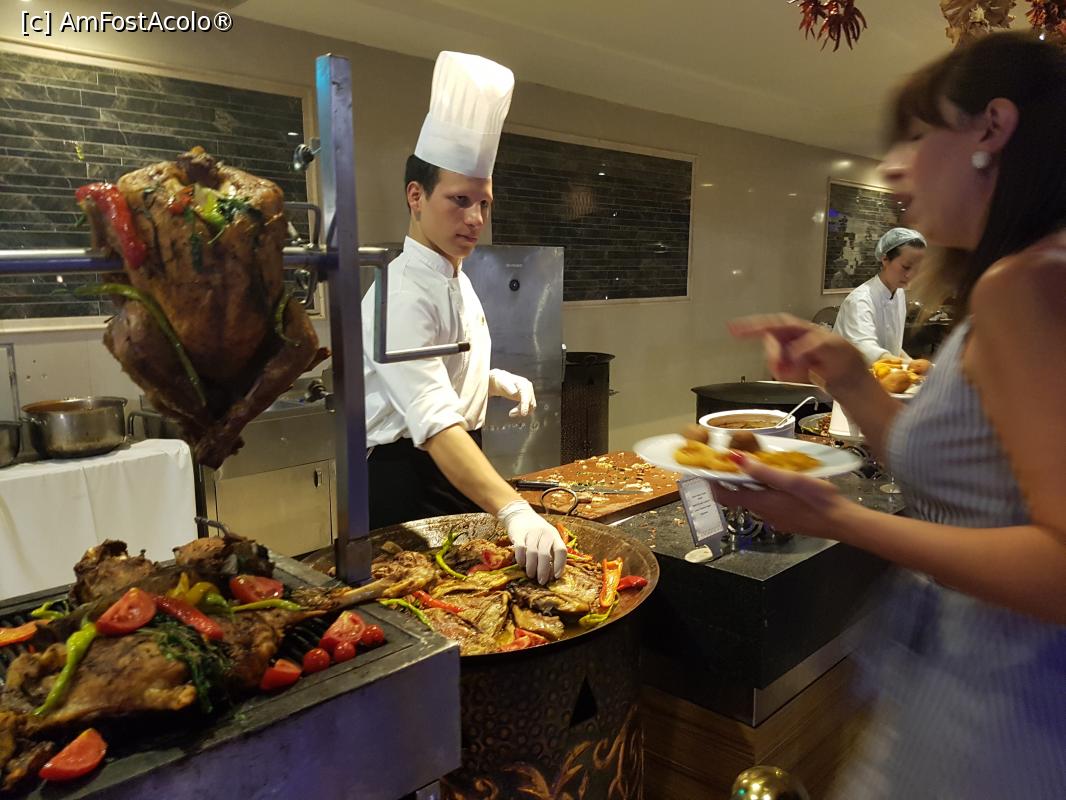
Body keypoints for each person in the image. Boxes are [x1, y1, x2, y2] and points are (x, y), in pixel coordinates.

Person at [721, 33, 1066, 797]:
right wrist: (849, 374)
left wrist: (838, 518)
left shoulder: (1025, 286)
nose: (893, 168)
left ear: (992, 127)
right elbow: (965, 483)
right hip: (965, 688)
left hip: (1004, 718)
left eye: (916, 134)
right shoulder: (1030, 275)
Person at [362, 51, 566, 584]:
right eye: (459, 200)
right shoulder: (401, 292)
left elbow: (440, 366)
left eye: (484, 203)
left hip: (454, 465)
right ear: (416, 196)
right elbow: (432, 422)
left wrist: (489, 380)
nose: (475, 219)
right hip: (409, 480)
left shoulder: (456, 274)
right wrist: (514, 509)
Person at [832, 227, 926, 364]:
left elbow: (893, 346)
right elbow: (867, 349)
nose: (910, 275)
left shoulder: (899, 293)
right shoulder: (860, 300)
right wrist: (909, 365)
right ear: (885, 259)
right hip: (847, 374)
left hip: (881, 372)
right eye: (906, 267)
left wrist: (911, 362)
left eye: (916, 269)